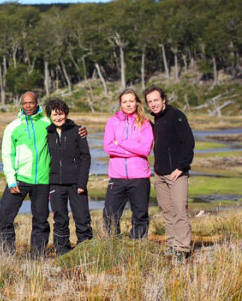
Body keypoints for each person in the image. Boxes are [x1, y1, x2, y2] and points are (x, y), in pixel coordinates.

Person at [0, 92, 87, 258]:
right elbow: (7, 155)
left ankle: (37, 256)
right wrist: (11, 180)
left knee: (40, 220)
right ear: (21, 104)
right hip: (19, 179)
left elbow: (63, 123)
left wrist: (80, 129)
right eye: (25, 103)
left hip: (44, 181)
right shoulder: (12, 127)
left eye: (31, 102)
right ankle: (5, 254)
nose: (28, 106)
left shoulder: (46, 123)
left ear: (37, 103)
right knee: (5, 217)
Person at [145, 85, 195, 261]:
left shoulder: (176, 116)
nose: (153, 104)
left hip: (176, 174)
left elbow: (188, 143)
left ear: (163, 99)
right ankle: (173, 245)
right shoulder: (156, 120)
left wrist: (181, 167)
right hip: (160, 174)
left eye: (156, 100)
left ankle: (183, 249)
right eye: (150, 101)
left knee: (179, 210)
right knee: (167, 211)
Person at [103, 89, 153, 239]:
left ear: (137, 102)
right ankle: (113, 244)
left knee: (140, 214)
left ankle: (137, 244)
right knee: (110, 214)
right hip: (116, 177)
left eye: (131, 101)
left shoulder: (145, 123)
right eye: (125, 101)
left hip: (139, 177)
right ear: (120, 104)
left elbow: (145, 149)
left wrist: (122, 143)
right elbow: (108, 147)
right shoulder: (112, 122)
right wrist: (133, 148)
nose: (128, 104)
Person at [45, 98, 93, 256]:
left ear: (66, 114)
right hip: (55, 183)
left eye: (61, 114)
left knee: (82, 217)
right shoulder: (47, 132)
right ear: (50, 116)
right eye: (54, 115)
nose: (58, 117)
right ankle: (62, 251)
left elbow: (86, 157)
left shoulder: (77, 131)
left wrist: (82, 183)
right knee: (60, 219)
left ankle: (86, 250)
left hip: (75, 183)